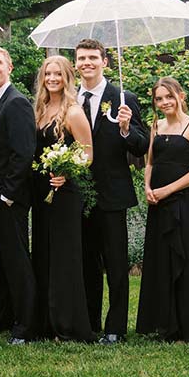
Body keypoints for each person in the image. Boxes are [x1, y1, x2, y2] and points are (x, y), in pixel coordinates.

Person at [74, 39, 148, 345]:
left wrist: (126, 129)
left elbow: (143, 146)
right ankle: (89, 322)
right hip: (77, 193)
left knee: (115, 263)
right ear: (75, 63)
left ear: (105, 61)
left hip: (113, 193)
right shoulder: (70, 98)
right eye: (81, 58)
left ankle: (115, 327)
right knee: (86, 261)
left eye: (93, 57)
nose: (87, 63)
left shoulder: (123, 98)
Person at [136, 77, 189, 343]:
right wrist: (148, 188)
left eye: (168, 97)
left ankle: (187, 328)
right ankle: (164, 326)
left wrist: (167, 190)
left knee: (183, 260)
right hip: (156, 203)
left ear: (180, 96)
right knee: (161, 262)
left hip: (182, 203)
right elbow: (150, 162)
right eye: (158, 99)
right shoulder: (154, 127)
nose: (164, 103)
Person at [31, 55, 94, 342]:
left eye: (58, 74)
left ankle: (67, 325)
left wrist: (67, 173)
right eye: (48, 74)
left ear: (67, 77)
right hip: (43, 193)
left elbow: (88, 153)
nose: (52, 78)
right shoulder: (40, 109)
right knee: (44, 253)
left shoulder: (73, 112)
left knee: (64, 258)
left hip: (66, 193)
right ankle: (46, 321)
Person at [0, 45, 37, 344]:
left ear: (9, 67)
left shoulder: (17, 103)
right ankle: (6, 312)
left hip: (8, 198)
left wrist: (7, 195)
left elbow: (23, 153)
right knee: (0, 260)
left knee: (16, 261)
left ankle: (26, 325)